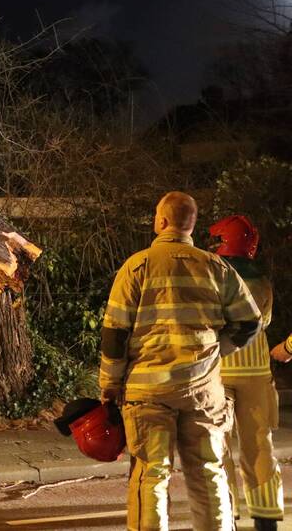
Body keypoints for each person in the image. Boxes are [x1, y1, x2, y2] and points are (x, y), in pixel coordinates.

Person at [99, 191, 261, 531]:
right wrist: (216, 350)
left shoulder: (137, 266)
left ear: (161, 221)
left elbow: (115, 333)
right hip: (203, 391)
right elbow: (250, 322)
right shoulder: (217, 267)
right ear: (192, 224)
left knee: (151, 476)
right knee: (208, 473)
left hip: (148, 393)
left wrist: (110, 385)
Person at [212, 215, 282, 530]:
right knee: (259, 443)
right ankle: (266, 515)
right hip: (256, 370)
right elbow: (263, 322)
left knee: (218, 445)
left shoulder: (211, 276)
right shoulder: (262, 281)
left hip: (218, 368)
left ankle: (225, 513)